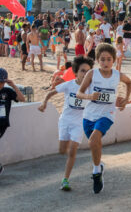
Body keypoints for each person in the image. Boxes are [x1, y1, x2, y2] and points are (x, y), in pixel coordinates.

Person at [76, 43, 131, 194]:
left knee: (94, 140)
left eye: (109, 59)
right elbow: (79, 93)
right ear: (97, 60)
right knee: (95, 145)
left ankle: (96, 172)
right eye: (102, 59)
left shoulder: (117, 75)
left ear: (113, 60)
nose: (105, 62)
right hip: (89, 115)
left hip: (107, 114)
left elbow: (129, 82)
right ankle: (99, 165)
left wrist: (126, 99)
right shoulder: (92, 74)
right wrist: (89, 96)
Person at [38, 56, 94, 191]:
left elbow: (103, 99)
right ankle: (67, 150)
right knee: (62, 150)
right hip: (65, 121)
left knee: (72, 151)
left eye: (88, 72)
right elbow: (51, 93)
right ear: (75, 72)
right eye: (82, 71)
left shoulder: (91, 87)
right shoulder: (69, 85)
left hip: (79, 123)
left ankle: (65, 179)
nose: (85, 74)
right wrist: (44, 103)